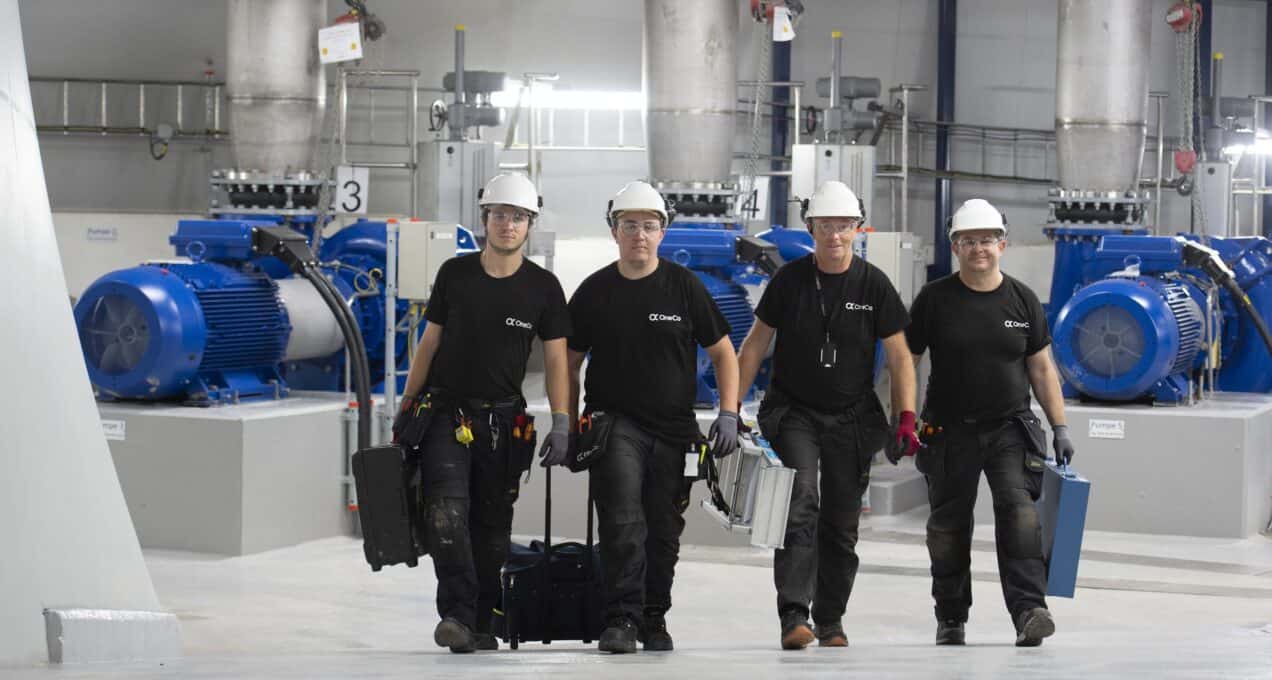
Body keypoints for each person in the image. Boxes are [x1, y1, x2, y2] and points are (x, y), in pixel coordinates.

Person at [392, 172, 573, 653]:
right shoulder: (455, 274)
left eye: (518, 217)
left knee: (491, 529)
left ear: (530, 224)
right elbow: (430, 342)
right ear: (485, 219)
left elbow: (557, 360)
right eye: (499, 215)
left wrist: (562, 420)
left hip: (503, 425)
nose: (507, 225)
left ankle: (481, 619)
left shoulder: (544, 288)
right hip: (445, 415)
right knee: (445, 514)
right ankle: (456, 614)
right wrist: (407, 405)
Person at [735, 180, 918, 650]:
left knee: (841, 521)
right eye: (825, 226)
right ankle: (794, 615)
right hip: (794, 411)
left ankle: (831, 618)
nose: (834, 235)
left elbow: (900, 357)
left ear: (858, 228)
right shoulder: (789, 281)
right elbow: (755, 344)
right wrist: (729, 407)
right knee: (800, 502)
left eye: (843, 226)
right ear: (811, 228)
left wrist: (905, 418)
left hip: (852, 417)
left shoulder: (874, 284)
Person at [560, 180, 740, 654]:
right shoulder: (595, 291)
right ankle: (621, 617)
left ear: (663, 232)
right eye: (629, 225)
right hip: (614, 424)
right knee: (622, 521)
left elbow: (724, 352)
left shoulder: (685, 287)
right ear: (614, 231)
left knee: (663, 531)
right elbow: (569, 361)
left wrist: (729, 412)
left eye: (648, 225)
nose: (639, 234)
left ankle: (653, 616)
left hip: (674, 430)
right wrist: (566, 421)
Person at [906, 198, 1076, 647]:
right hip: (947, 429)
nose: (978, 248)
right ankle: (950, 616)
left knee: (1020, 515)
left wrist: (1060, 426)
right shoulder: (934, 300)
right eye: (968, 241)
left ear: (1002, 244)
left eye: (986, 240)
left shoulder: (1022, 299)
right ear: (955, 247)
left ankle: (1029, 611)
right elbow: (907, 360)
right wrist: (901, 418)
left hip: (1009, 427)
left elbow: (1042, 367)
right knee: (947, 526)